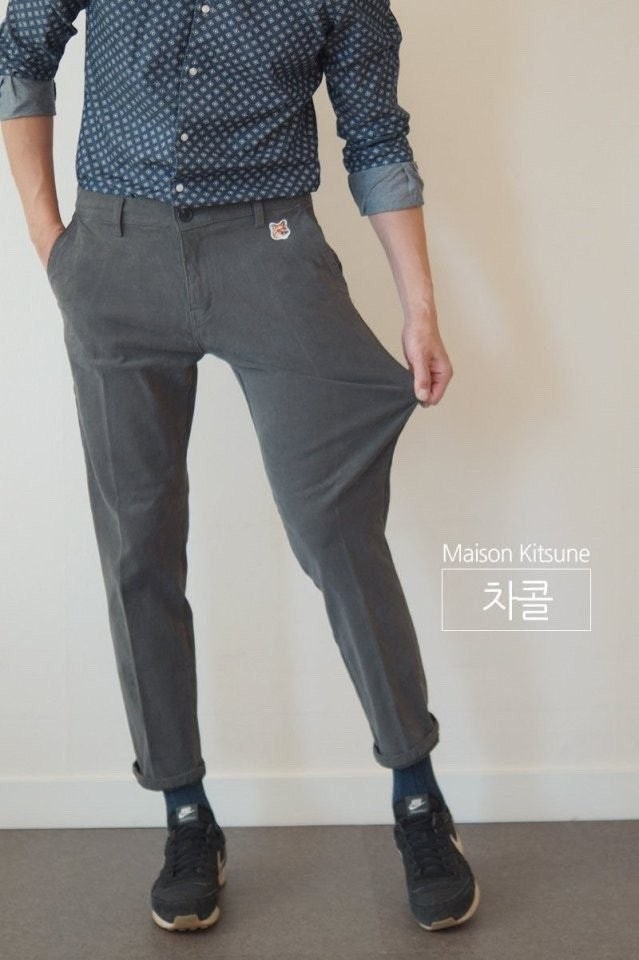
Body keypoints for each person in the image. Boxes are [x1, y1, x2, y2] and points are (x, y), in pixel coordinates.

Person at [0, 0, 479, 935]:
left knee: (336, 533)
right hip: (115, 256)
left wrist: (419, 309)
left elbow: (375, 136)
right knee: (137, 542)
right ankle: (185, 813)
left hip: (272, 255)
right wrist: (48, 238)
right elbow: (22, 47)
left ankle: (417, 796)